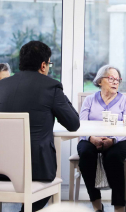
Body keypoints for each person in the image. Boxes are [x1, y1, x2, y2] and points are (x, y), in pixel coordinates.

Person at [0, 41, 80, 212]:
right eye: (49, 64)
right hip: (37, 170)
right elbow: (73, 123)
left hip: (1, 168)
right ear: (43, 65)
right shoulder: (50, 86)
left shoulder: (2, 86)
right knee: (44, 190)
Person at [77, 65, 126, 212]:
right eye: (111, 78)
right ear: (100, 81)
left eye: (118, 79)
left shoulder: (125, 101)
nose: (115, 82)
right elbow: (81, 125)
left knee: (113, 157)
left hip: (118, 141)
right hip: (90, 139)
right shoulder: (89, 100)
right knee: (86, 154)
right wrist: (91, 138)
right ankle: (97, 205)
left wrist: (113, 140)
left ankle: (119, 207)